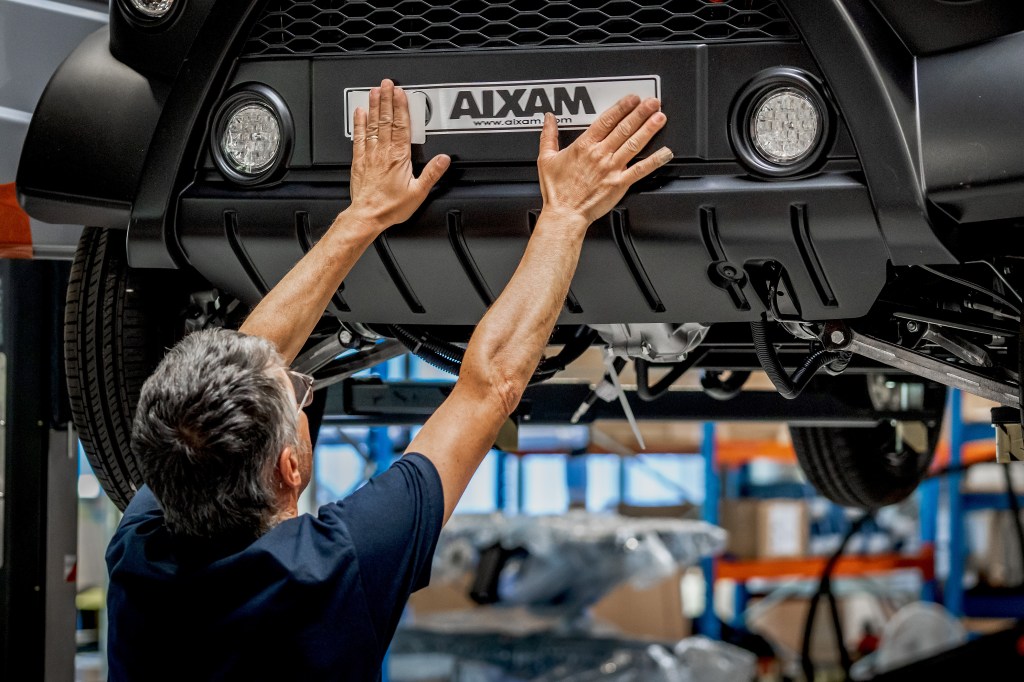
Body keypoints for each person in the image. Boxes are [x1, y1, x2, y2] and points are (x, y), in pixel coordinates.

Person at [105, 79, 671, 681]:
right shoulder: (328, 568)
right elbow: (489, 387)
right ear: (288, 470)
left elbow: (256, 357)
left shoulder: (151, 549)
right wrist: (566, 212)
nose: (301, 387)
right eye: (298, 392)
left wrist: (367, 213)